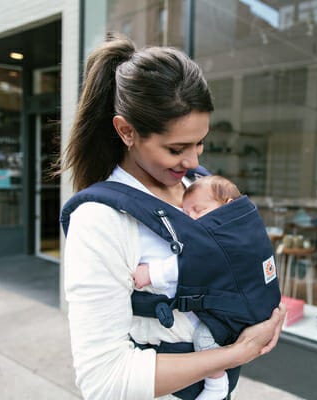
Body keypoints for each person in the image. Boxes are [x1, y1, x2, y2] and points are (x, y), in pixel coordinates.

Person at [59, 33, 286, 400]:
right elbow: (104, 381)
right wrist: (233, 354)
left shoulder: (199, 185)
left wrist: (266, 315)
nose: (194, 161)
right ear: (126, 131)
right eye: (176, 148)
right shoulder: (100, 220)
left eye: (200, 142)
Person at [131, 175, 242, 400]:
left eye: (197, 210)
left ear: (227, 206)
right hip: (211, 309)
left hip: (224, 315)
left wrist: (152, 273)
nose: (190, 218)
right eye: (186, 212)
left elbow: (194, 264)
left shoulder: (225, 236)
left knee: (205, 340)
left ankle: (217, 385)